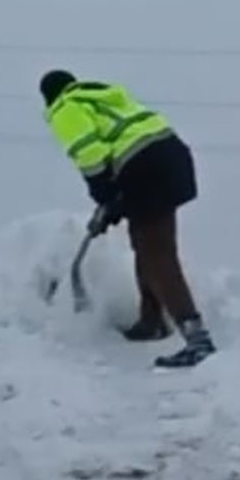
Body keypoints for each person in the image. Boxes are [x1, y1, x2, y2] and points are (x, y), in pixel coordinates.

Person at [39, 69, 216, 368]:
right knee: (146, 243)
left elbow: (88, 152)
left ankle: (197, 339)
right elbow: (123, 147)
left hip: (144, 167)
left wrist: (104, 193)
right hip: (172, 157)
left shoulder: (65, 107)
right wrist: (114, 201)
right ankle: (151, 321)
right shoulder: (103, 98)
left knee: (157, 253)